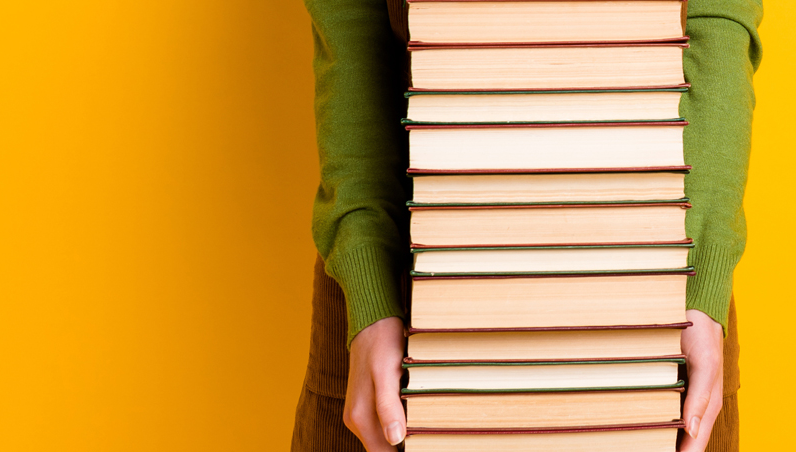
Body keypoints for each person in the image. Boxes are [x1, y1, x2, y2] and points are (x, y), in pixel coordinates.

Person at [289, 1, 762, 451]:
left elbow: (718, 19)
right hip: (395, 301)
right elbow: (351, 27)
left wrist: (702, 280)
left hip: (666, 299)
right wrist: (368, 284)